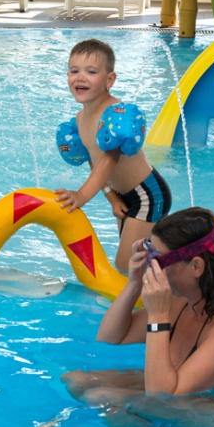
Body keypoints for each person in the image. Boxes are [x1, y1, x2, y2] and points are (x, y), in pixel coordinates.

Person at [63, 206, 214, 404]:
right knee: (75, 379)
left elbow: (163, 398)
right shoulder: (182, 298)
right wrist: (134, 284)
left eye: (158, 260)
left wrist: (158, 317)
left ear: (196, 266)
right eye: (150, 254)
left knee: (101, 398)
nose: (153, 267)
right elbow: (110, 337)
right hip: (174, 389)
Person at [54, 39, 172, 273]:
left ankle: (176, 288)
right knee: (137, 262)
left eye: (91, 72)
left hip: (147, 194)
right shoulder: (80, 119)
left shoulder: (114, 114)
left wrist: (82, 195)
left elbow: (109, 159)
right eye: (74, 71)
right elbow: (94, 158)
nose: (80, 77)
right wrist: (111, 196)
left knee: (126, 265)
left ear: (109, 80)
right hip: (124, 196)